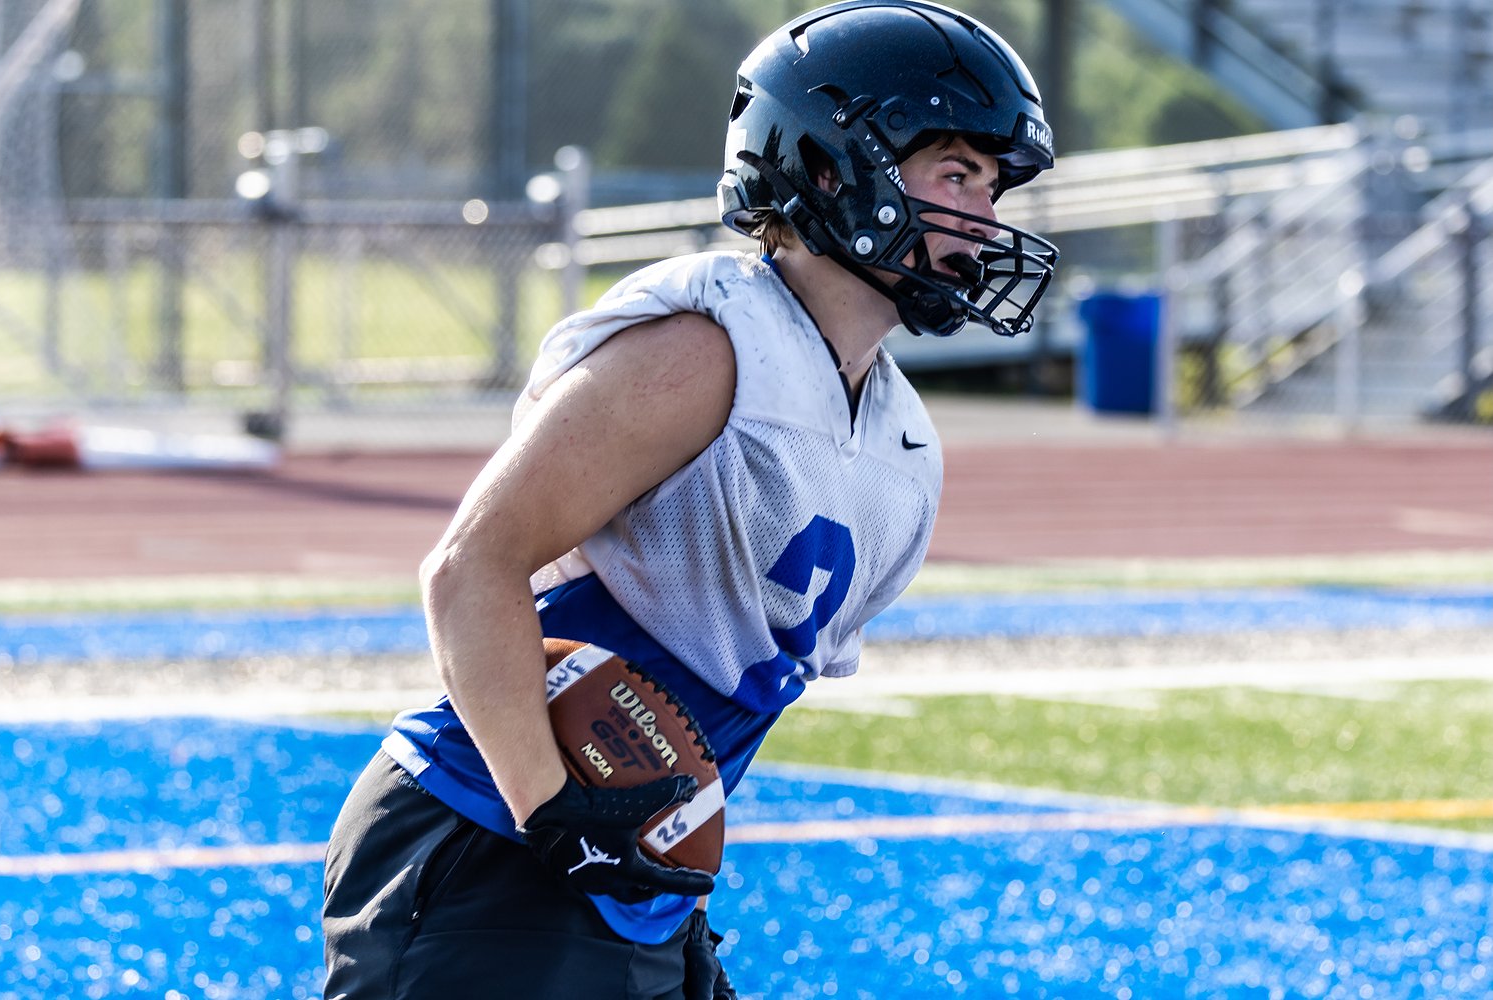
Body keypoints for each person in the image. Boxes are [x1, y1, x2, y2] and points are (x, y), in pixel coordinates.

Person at [320, 1, 1059, 997]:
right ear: (836, 166)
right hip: (489, 830)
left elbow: (715, 706)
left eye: (992, 185)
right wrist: (556, 823)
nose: (985, 216)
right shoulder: (705, 348)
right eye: (958, 174)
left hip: (623, 877)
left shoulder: (901, 437)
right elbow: (468, 567)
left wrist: (666, 896)